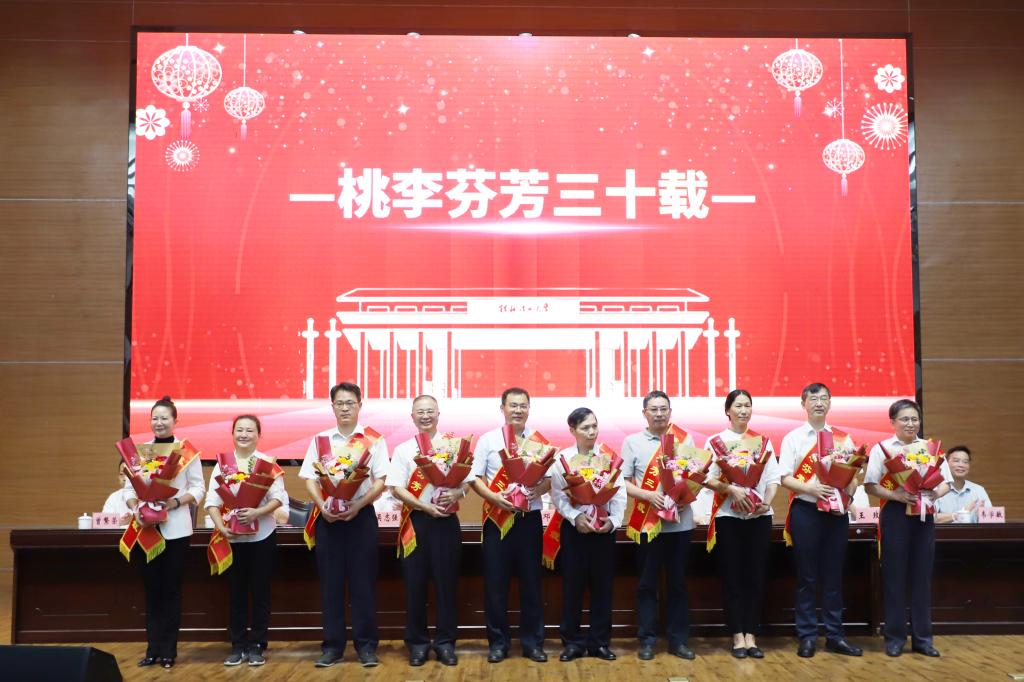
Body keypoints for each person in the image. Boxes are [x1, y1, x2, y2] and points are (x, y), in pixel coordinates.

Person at [299, 382, 389, 669]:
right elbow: (309, 478)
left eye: (350, 403)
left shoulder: (373, 440)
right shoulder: (321, 440)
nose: (345, 408)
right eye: (340, 403)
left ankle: (366, 647)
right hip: (328, 519)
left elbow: (380, 480)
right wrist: (322, 505)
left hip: (361, 518)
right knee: (331, 586)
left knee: (364, 585)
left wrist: (358, 505)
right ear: (333, 406)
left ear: (360, 405)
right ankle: (332, 646)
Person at [779, 383, 862, 659]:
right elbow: (784, 477)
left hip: (836, 514)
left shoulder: (843, 439)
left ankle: (835, 636)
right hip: (806, 511)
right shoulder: (793, 438)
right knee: (807, 576)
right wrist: (810, 488)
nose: (819, 403)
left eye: (824, 398)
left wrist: (847, 498)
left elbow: (853, 477)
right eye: (813, 398)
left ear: (830, 403)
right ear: (803, 403)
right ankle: (807, 636)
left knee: (833, 575)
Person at [864, 399, 951, 657]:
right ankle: (894, 638)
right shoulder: (882, 449)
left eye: (914, 419)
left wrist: (934, 494)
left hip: (924, 515)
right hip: (895, 514)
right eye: (904, 419)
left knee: (922, 578)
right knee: (894, 577)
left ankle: (923, 639)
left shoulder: (930, 448)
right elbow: (870, 485)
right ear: (893, 422)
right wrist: (897, 496)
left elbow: (945, 482)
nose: (910, 424)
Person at [386, 395, 468, 667]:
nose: (425, 416)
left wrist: (457, 493)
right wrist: (423, 505)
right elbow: (396, 487)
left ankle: (446, 644)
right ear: (412, 417)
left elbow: (468, 482)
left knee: (447, 586)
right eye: (420, 412)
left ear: (438, 414)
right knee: (414, 586)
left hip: (446, 522)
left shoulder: (453, 446)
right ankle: (418, 644)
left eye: (430, 411)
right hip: (416, 523)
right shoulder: (403, 449)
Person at [470, 387, 551, 664]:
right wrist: (494, 497)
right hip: (497, 518)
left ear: (529, 409)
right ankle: (498, 643)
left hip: (529, 519)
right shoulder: (488, 440)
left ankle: (533, 643)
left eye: (523, 405)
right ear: (502, 408)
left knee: (532, 583)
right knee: (495, 583)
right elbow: (475, 478)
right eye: (513, 405)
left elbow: (549, 479)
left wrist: (538, 490)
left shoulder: (538, 441)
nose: (518, 410)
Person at [123, 396, 205, 669]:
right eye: (155, 418)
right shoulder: (141, 451)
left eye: (164, 418)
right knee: (151, 591)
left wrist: (175, 502)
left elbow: (198, 489)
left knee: (171, 591)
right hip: (146, 529)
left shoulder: (186, 451)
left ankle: (168, 650)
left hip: (175, 530)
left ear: (175, 421)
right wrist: (135, 506)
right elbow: (129, 488)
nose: (159, 423)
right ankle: (152, 649)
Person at [702, 389, 780, 659]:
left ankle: (751, 635)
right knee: (733, 577)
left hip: (759, 518)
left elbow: (773, 478)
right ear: (728, 410)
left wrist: (766, 502)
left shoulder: (763, 442)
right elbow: (706, 478)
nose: (743, 410)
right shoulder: (716, 442)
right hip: (729, 518)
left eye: (748, 405)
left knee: (755, 577)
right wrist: (731, 489)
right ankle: (737, 635)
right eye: (738, 406)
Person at [205, 415, 288, 667]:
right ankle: (238, 644)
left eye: (250, 430)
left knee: (261, 592)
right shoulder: (223, 464)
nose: (244, 434)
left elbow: (279, 498)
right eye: (239, 430)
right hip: (232, 539)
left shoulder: (267, 464)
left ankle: (258, 645)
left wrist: (256, 513)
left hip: (262, 537)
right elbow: (211, 502)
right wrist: (222, 528)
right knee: (236, 593)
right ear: (232, 434)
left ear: (259, 435)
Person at [621, 390, 696, 661]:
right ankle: (647, 640)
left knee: (678, 585)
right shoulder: (632, 442)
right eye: (653, 409)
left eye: (664, 409)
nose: (659, 414)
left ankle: (678, 641)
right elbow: (623, 482)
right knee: (646, 585)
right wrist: (648, 495)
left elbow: (694, 476)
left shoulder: (685, 440)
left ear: (670, 412)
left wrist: (685, 497)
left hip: (680, 525)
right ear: (645, 413)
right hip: (648, 525)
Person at [550, 407, 627, 663]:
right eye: (585, 428)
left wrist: (613, 521)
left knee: (603, 588)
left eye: (594, 426)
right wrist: (575, 517)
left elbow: (619, 493)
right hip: (575, 531)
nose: (592, 432)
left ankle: (599, 643)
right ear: (572, 430)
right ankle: (572, 642)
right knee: (572, 587)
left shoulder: (608, 457)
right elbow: (558, 496)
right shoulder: (563, 459)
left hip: (603, 529)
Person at [934, 445, 991, 523]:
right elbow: (930, 518)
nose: (961, 465)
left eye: (965, 462)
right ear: (946, 464)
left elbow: (991, 520)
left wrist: (982, 515)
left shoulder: (979, 490)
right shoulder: (936, 489)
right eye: (956, 461)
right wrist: (959, 515)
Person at [102, 462, 133, 526]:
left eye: (128, 474)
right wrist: (119, 522)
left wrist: (134, 520)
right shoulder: (114, 497)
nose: (124, 479)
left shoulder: (149, 497)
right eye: (121, 474)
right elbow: (103, 523)